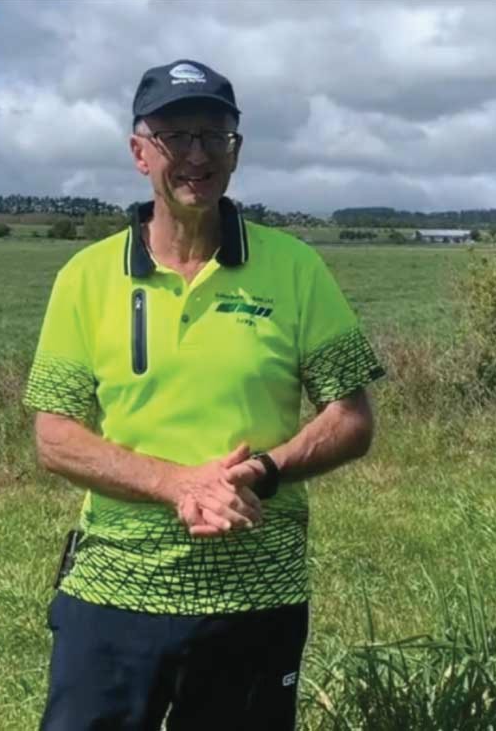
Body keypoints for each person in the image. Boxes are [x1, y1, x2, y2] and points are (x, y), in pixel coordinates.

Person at [24, 58, 385, 731]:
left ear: (235, 151)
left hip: (256, 591)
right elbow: (55, 437)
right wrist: (177, 483)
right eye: (176, 136)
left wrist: (266, 470)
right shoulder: (85, 276)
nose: (197, 155)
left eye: (215, 136)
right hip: (113, 586)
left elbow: (352, 416)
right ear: (140, 152)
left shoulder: (296, 268)